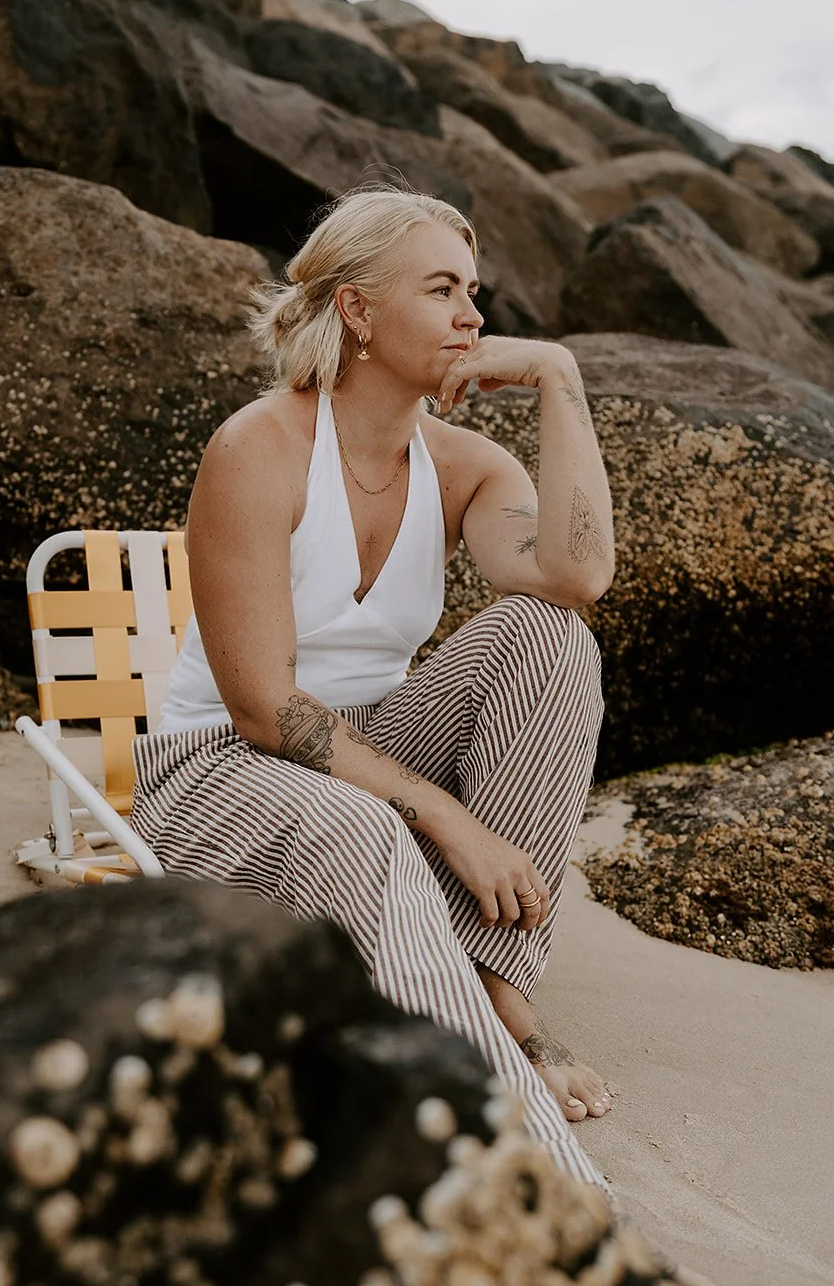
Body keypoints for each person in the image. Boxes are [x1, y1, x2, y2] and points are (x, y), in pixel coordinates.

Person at [130, 186, 616, 1185]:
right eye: (440, 289)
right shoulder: (254, 450)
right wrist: (444, 814)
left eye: (471, 292)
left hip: (370, 750)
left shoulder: (462, 465)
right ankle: (521, 1160)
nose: (472, 317)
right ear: (355, 310)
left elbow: (574, 576)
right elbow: (264, 705)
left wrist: (558, 381)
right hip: (219, 766)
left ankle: (491, 985)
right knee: (370, 826)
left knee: (551, 637)